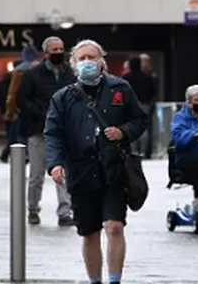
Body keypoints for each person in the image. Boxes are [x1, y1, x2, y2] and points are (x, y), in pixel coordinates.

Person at [45, 39, 148, 284]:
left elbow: (139, 120)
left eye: (92, 57)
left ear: (102, 61)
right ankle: (95, 281)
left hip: (113, 170)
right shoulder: (64, 97)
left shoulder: (120, 88)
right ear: (74, 65)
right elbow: (53, 133)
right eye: (82, 59)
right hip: (81, 171)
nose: (88, 62)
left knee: (115, 226)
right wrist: (55, 163)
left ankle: (114, 280)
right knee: (89, 233)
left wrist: (123, 132)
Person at [16, 36, 76, 226]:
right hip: (39, 130)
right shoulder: (33, 74)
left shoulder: (70, 73)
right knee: (36, 174)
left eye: (61, 49)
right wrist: (39, 114)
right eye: (54, 50)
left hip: (64, 131)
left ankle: (65, 211)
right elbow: (22, 100)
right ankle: (33, 209)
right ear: (46, 53)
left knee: (63, 172)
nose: (59, 52)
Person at [0, 46, 38, 163]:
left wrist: (10, 111)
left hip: (21, 109)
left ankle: (23, 157)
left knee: (20, 135)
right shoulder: (41, 69)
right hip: (37, 109)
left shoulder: (19, 71)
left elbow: (12, 93)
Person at [123, 55, 157, 159]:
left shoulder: (126, 77)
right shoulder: (147, 77)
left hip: (130, 105)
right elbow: (153, 92)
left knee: (131, 127)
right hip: (145, 104)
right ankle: (144, 152)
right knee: (144, 129)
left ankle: (133, 151)